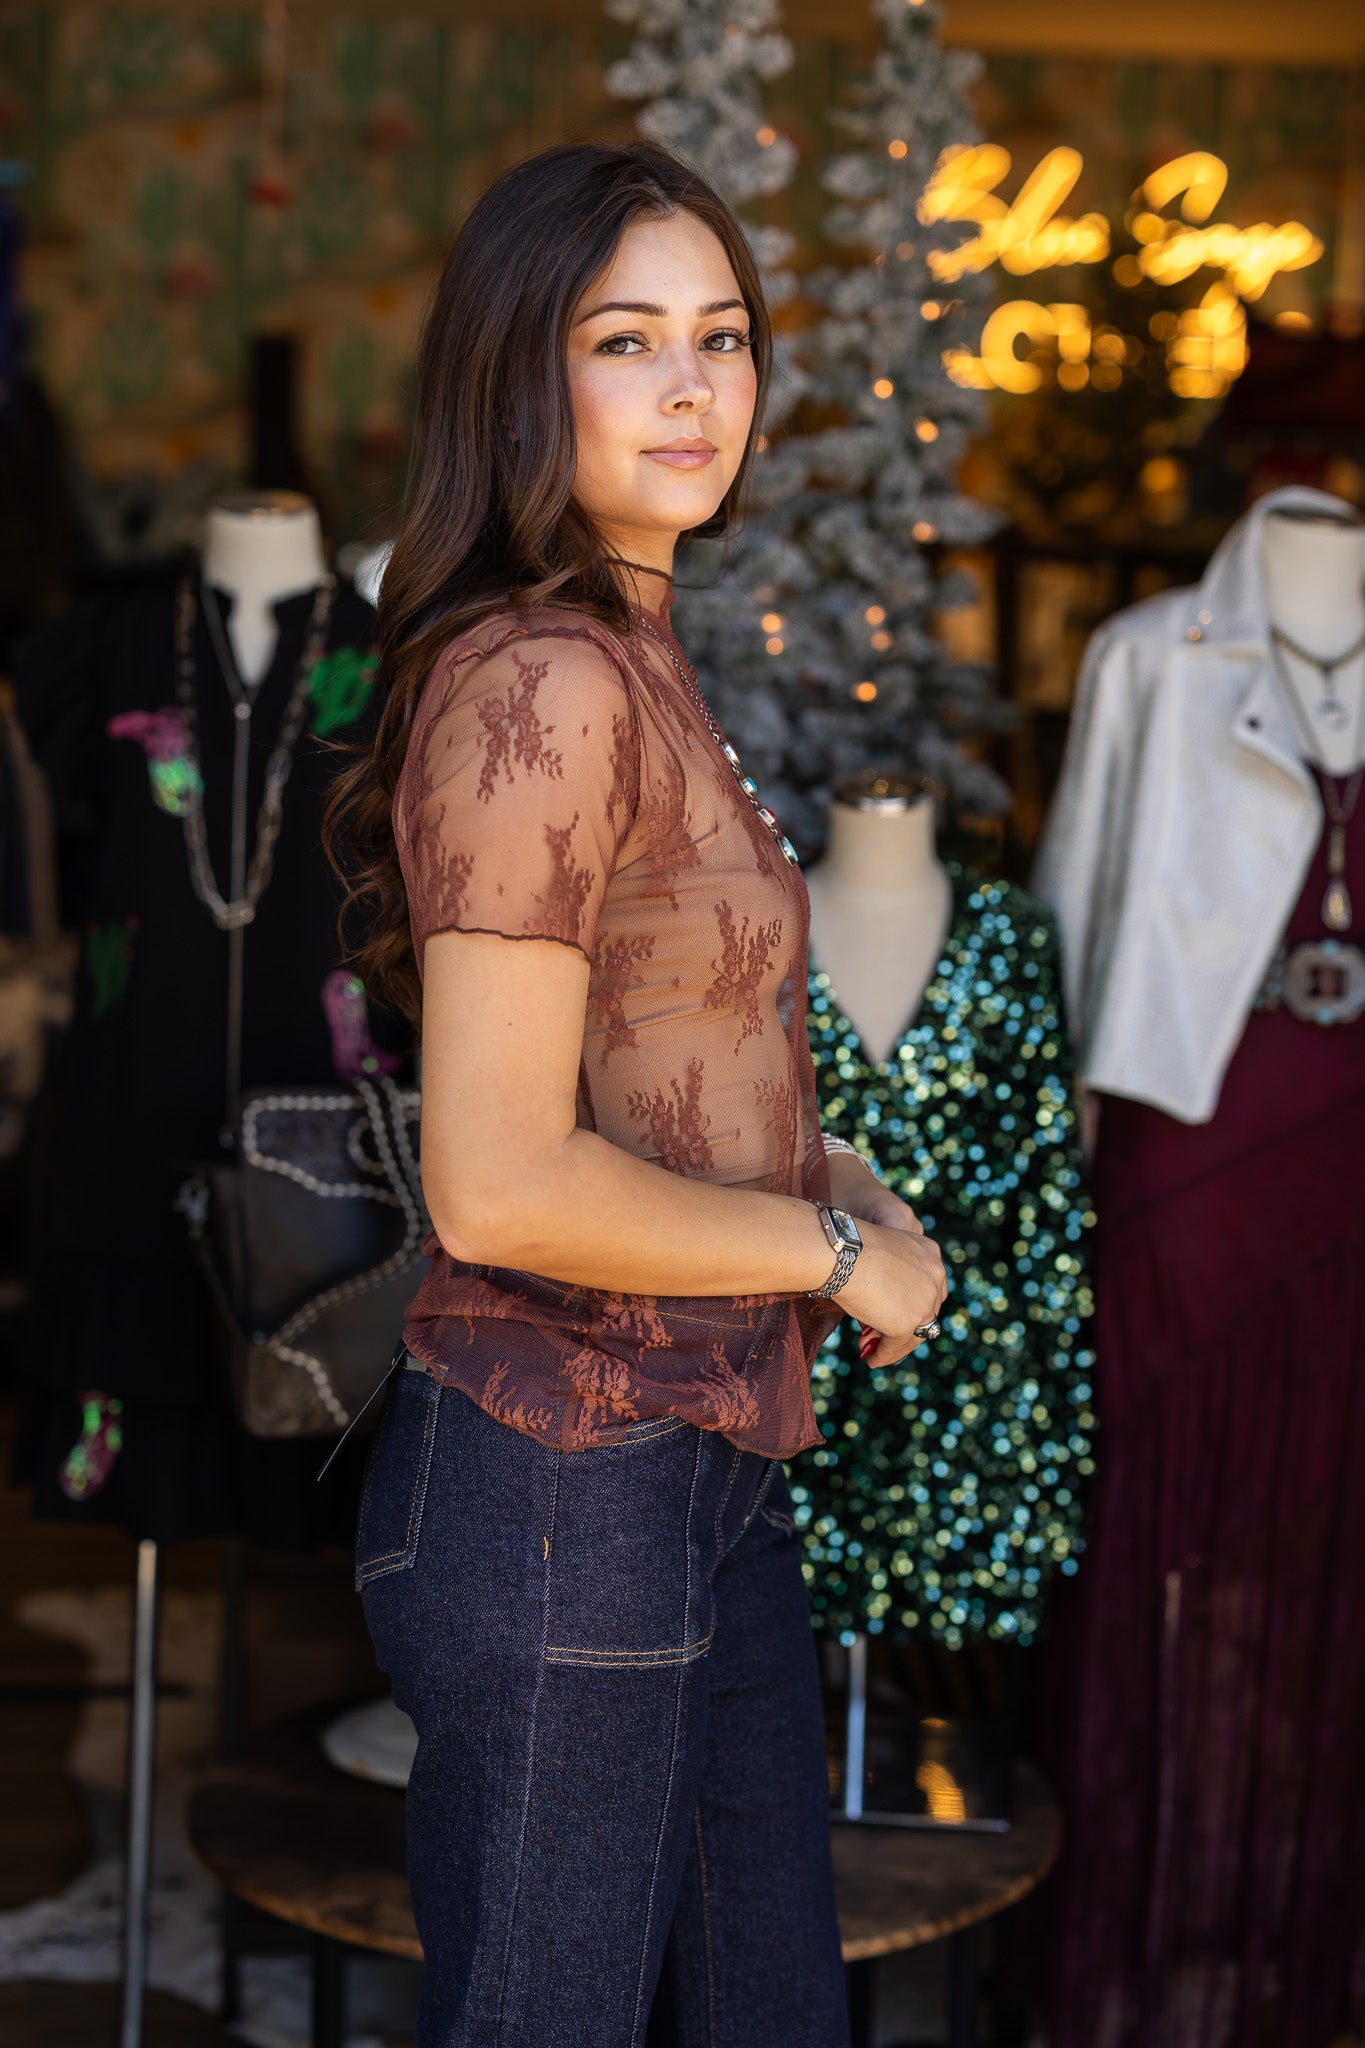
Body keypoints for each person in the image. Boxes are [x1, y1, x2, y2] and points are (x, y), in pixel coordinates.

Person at [327, 139, 947, 2048]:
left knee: (768, 2009)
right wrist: (834, 1252)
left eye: (724, 337)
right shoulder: (543, 676)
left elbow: (672, 1069)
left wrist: (845, 1173)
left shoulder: (637, 649)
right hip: (557, 1476)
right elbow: (501, 1185)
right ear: (524, 373)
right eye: (625, 340)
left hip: (705, 1465)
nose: (694, 390)